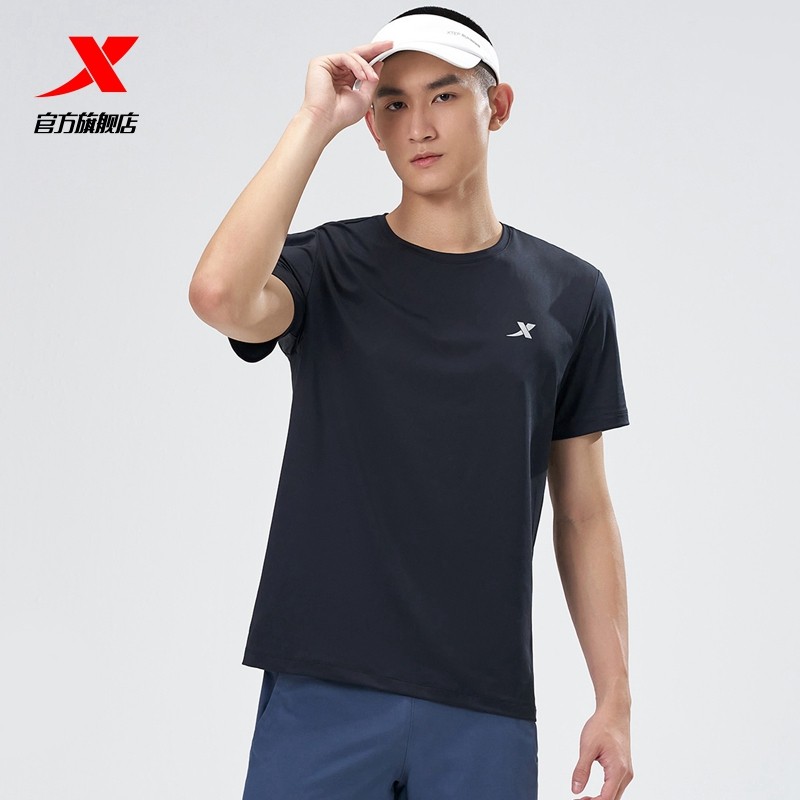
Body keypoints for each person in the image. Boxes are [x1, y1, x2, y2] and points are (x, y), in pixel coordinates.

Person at [189, 6, 634, 800]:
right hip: (323, 689)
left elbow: (583, 511)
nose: (418, 126)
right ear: (374, 124)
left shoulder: (570, 293)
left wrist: (614, 699)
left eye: (445, 95)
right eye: (393, 103)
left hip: (484, 704)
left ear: (498, 106)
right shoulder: (328, 267)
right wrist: (313, 123)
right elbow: (219, 295)